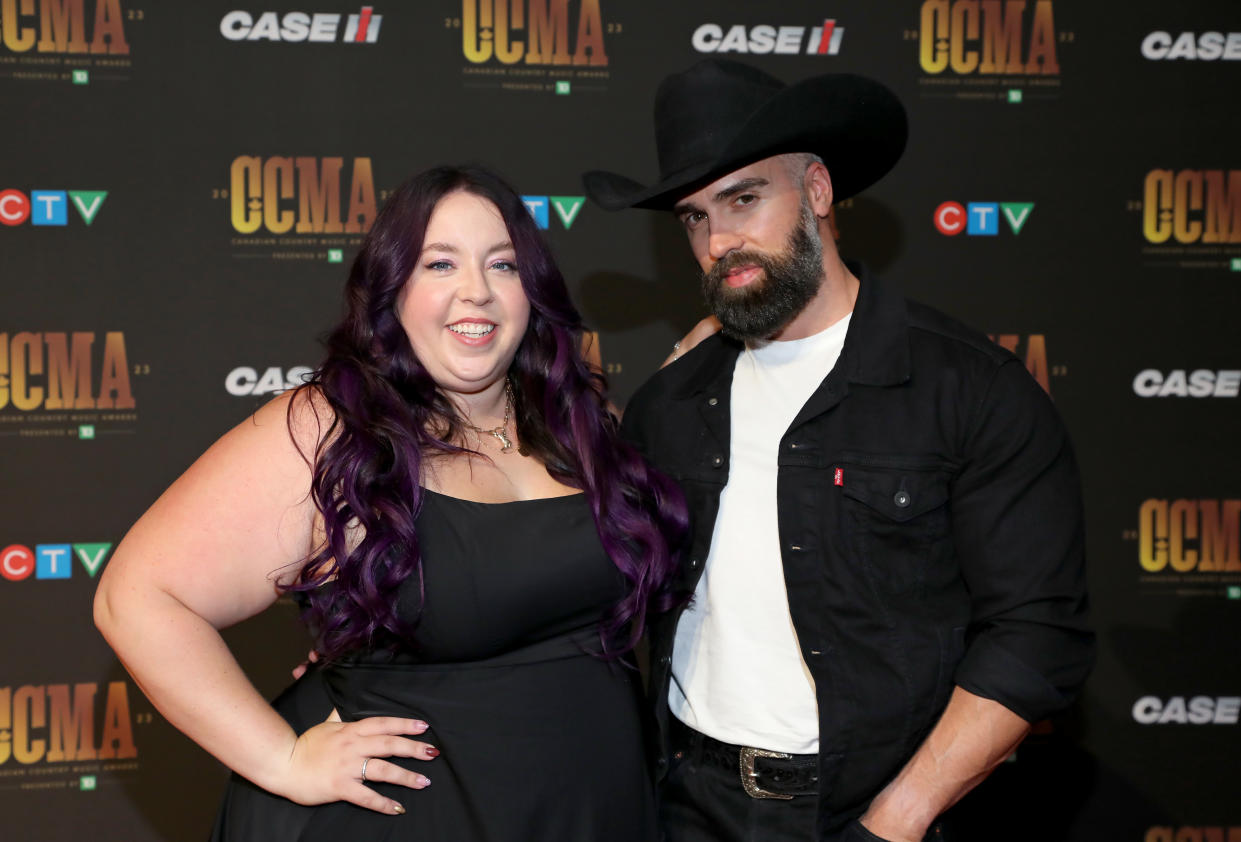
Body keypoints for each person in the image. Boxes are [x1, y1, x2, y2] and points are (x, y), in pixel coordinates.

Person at [93, 165, 687, 841]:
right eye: (439, 264)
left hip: (588, 807)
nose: (476, 292)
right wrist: (281, 757)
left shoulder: (579, 421)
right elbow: (138, 597)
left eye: (502, 265)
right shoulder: (330, 428)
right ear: (393, 289)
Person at [583, 59, 1094, 842]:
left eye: (743, 199)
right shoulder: (670, 403)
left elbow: (1034, 639)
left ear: (817, 191)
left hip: (877, 810)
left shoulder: (967, 388)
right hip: (687, 804)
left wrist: (898, 819)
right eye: (692, 218)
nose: (719, 239)